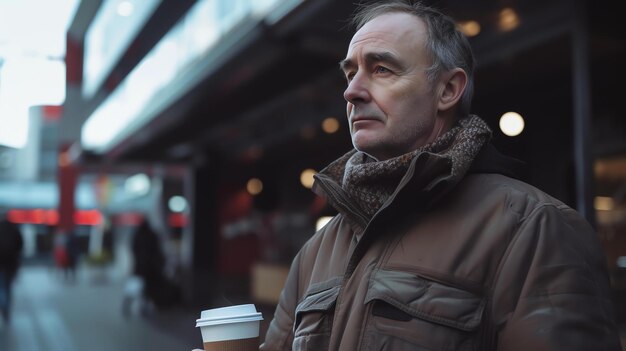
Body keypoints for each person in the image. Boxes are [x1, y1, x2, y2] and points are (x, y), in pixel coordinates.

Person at [259, 1, 621, 350]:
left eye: (381, 69)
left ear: (447, 90)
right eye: (351, 73)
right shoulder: (317, 250)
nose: (351, 91)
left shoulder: (534, 229)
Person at [0, 216, 23, 323]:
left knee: (2, 287)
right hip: (10, 264)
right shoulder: (13, 228)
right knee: (7, 288)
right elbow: (20, 245)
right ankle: (6, 308)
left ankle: (3, 304)